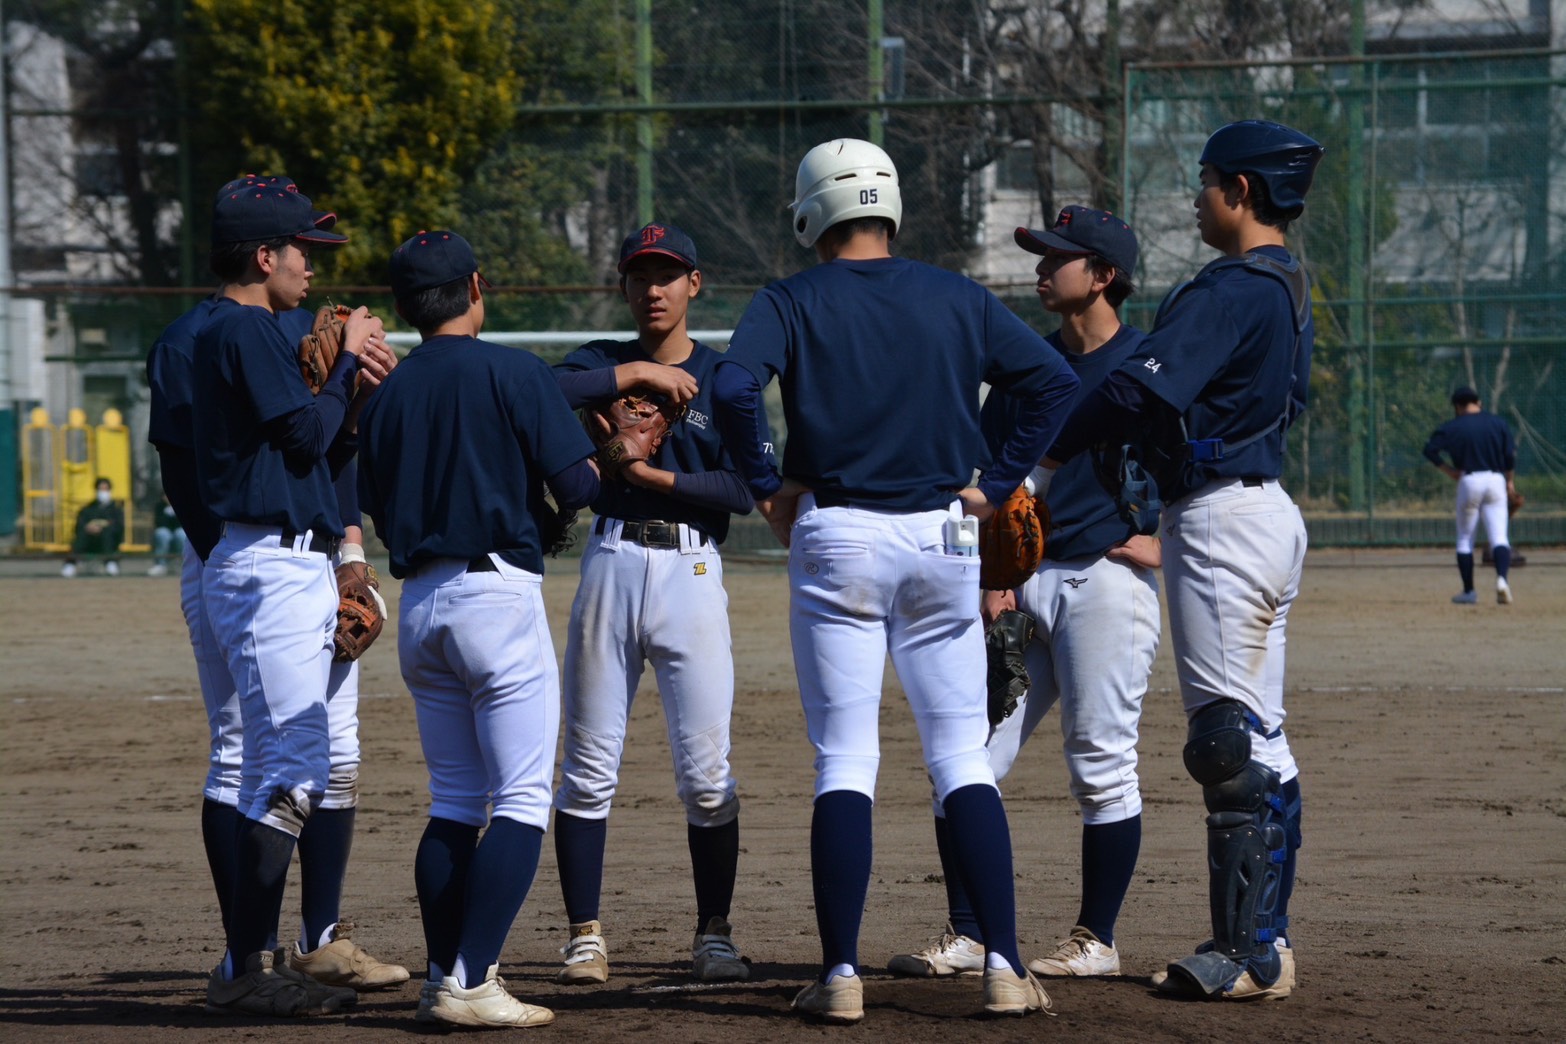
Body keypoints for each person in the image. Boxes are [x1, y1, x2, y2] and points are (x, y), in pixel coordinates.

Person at [711, 138, 1080, 1023]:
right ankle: (1004, 965)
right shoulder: (956, 294)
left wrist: (764, 485)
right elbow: (1054, 382)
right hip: (943, 538)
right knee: (960, 758)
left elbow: (729, 388)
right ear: (890, 205)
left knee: (846, 757)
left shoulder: (790, 298)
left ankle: (839, 978)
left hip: (836, 534)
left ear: (812, 211)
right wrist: (996, 483)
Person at [1034, 120, 1324, 1001]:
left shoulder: (1231, 285)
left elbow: (1131, 387)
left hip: (1220, 520)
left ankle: (1245, 953)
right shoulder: (1289, 285)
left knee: (1226, 741)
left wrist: (1037, 462)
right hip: (1261, 510)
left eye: (1206, 184)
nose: (1197, 200)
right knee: (1260, 737)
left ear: (1240, 191)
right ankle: (1263, 945)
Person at [147, 175, 408, 1020]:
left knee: (292, 766)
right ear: (264, 256)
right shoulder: (240, 331)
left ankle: (260, 959)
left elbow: (307, 443)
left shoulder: (250, 329)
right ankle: (246, 965)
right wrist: (343, 386)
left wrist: (346, 399)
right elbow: (301, 434)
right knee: (286, 772)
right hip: (258, 562)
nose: (312, 269)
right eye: (300, 251)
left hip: (284, 560)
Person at [888, 207, 1161, 981]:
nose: (1043, 270)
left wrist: (1164, 540)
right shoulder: (1026, 371)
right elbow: (985, 485)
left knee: (1101, 762)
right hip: (1020, 587)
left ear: (1103, 275)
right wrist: (989, 579)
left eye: (1059, 258)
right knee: (962, 759)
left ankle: (1096, 940)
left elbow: (1197, 463)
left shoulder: (1150, 365)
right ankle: (971, 932)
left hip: (1106, 586)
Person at [357, 230, 600, 1028]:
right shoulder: (514, 369)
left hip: (421, 605)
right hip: (495, 597)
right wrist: (620, 450)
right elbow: (574, 484)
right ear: (476, 285)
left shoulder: (386, 393)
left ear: (403, 307)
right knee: (525, 799)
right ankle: (472, 979)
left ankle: (441, 977)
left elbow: (380, 508)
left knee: (457, 800)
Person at [549, 223, 757, 985]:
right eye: (640, 275)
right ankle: (584, 934)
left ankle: (714, 933)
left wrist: (655, 478)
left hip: (692, 568)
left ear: (694, 284)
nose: (654, 289)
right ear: (625, 286)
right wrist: (631, 373)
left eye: (668, 274)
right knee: (587, 767)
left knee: (706, 774)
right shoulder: (600, 364)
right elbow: (539, 387)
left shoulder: (724, 376)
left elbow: (741, 490)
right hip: (609, 557)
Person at [1423, 386, 1518, 605]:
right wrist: (1510, 481)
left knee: (1465, 539)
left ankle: (1469, 592)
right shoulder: (1498, 423)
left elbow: (1429, 450)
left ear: (1457, 407)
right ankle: (1502, 581)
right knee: (1499, 537)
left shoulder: (1453, 426)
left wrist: (1449, 471)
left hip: (1469, 480)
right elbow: (1510, 455)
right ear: (1479, 402)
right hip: (1496, 479)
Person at [62, 477, 123, 577]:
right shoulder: (88, 509)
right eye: (100, 489)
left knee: (107, 534)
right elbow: (79, 525)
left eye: (105, 489)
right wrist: (89, 528)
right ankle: (70, 564)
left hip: (107, 542)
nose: (103, 492)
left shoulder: (116, 510)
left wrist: (102, 529)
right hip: (89, 541)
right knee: (81, 535)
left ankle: (110, 562)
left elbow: (118, 528)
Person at [148, 494, 185, 576]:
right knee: (162, 534)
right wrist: (167, 514)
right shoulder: (159, 506)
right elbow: (159, 523)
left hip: (177, 530)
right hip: (165, 530)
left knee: (181, 534)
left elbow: (183, 523)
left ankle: (180, 563)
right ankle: (161, 564)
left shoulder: (182, 504)